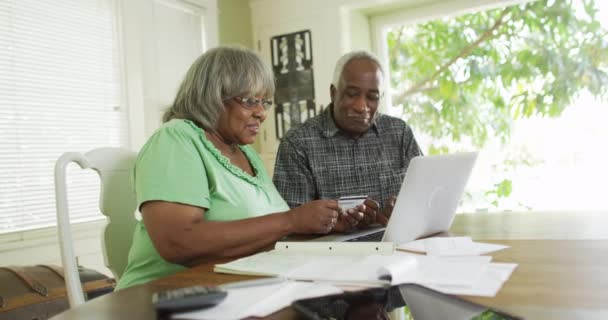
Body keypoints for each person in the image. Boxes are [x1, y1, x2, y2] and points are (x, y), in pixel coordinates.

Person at [116, 46, 359, 290]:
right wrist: (291, 221)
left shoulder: (246, 154)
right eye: (250, 101)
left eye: (265, 102)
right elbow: (178, 242)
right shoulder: (175, 139)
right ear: (212, 96)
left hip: (235, 292)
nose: (262, 114)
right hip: (162, 298)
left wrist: (319, 226)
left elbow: (261, 234)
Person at [273, 50, 422, 230]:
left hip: (398, 245)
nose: (361, 106)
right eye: (351, 94)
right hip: (330, 254)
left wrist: (405, 212)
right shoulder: (298, 143)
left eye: (372, 97)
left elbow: (426, 196)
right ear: (333, 93)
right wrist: (336, 223)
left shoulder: (400, 133)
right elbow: (290, 227)